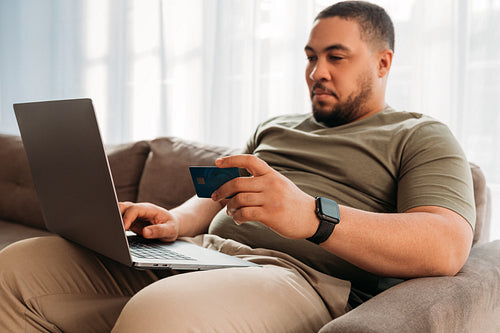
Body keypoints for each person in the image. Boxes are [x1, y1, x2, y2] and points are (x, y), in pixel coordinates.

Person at [0, 1, 475, 332]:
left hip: (299, 277)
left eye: (336, 57)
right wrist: (174, 219)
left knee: (162, 315)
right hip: (200, 252)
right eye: (311, 57)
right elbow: (216, 192)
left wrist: (312, 216)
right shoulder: (275, 127)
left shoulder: (421, 134)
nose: (317, 73)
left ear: (383, 62)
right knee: (16, 270)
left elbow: (446, 245)